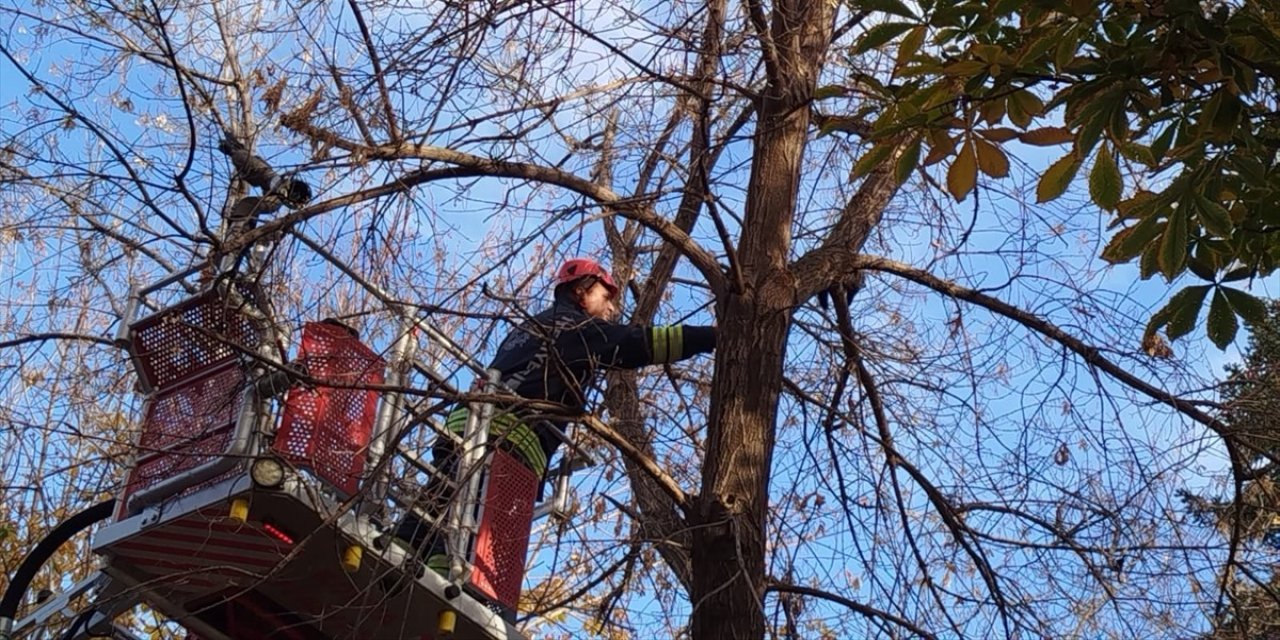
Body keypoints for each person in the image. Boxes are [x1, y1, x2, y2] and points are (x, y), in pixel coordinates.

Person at [392, 257, 716, 572]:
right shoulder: (575, 328)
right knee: (471, 518)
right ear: (581, 291)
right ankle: (438, 571)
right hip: (510, 436)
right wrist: (711, 338)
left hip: (467, 423)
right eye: (605, 297)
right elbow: (639, 344)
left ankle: (401, 550)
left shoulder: (533, 325)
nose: (612, 309)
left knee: (441, 496)